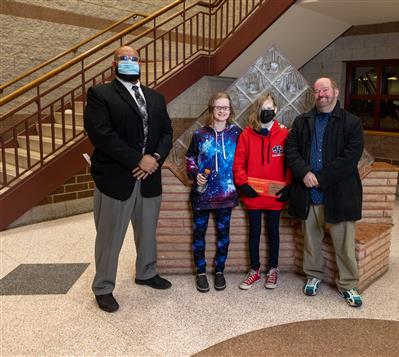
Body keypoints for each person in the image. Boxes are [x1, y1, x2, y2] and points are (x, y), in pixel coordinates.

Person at [84, 46, 173, 313]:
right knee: (110, 238)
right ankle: (103, 287)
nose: (130, 62)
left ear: (140, 63)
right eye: (124, 59)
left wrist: (154, 158)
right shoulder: (101, 94)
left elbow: (167, 132)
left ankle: (146, 272)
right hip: (115, 178)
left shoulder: (155, 97)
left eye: (134, 59)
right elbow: (101, 134)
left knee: (147, 232)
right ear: (115, 64)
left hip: (149, 177)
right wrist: (138, 159)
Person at [284, 77, 364, 307]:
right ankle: (313, 275)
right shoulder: (302, 122)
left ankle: (348, 284)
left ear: (336, 92)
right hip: (309, 193)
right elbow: (291, 151)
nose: (321, 95)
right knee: (311, 240)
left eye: (325, 90)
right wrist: (305, 173)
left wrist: (321, 177)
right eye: (317, 91)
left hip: (339, 194)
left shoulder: (352, 122)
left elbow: (351, 157)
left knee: (344, 245)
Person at [233, 93, 291, 290]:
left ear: (276, 110)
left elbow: (290, 162)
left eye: (270, 109)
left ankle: (273, 270)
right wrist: (242, 184)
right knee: (254, 232)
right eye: (262, 109)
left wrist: (289, 185)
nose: (266, 112)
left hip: (275, 195)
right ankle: (255, 270)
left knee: (273, 232)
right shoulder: (247, 134)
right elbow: (239, 163)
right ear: (257, 111)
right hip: (253, 195)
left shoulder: (284, 134)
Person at [185, 92, 242, 292]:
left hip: (227, 195)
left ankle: (219, 271)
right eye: (218, 107)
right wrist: (194, 173)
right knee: (199, 235)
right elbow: (190, 157)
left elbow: (243, 161)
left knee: (223, 236)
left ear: (230, 110)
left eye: (225, 107)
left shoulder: (237, 133)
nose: (222, 111)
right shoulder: (200, 134)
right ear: (212, 109)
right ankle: (201, 273)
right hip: (202, 194)